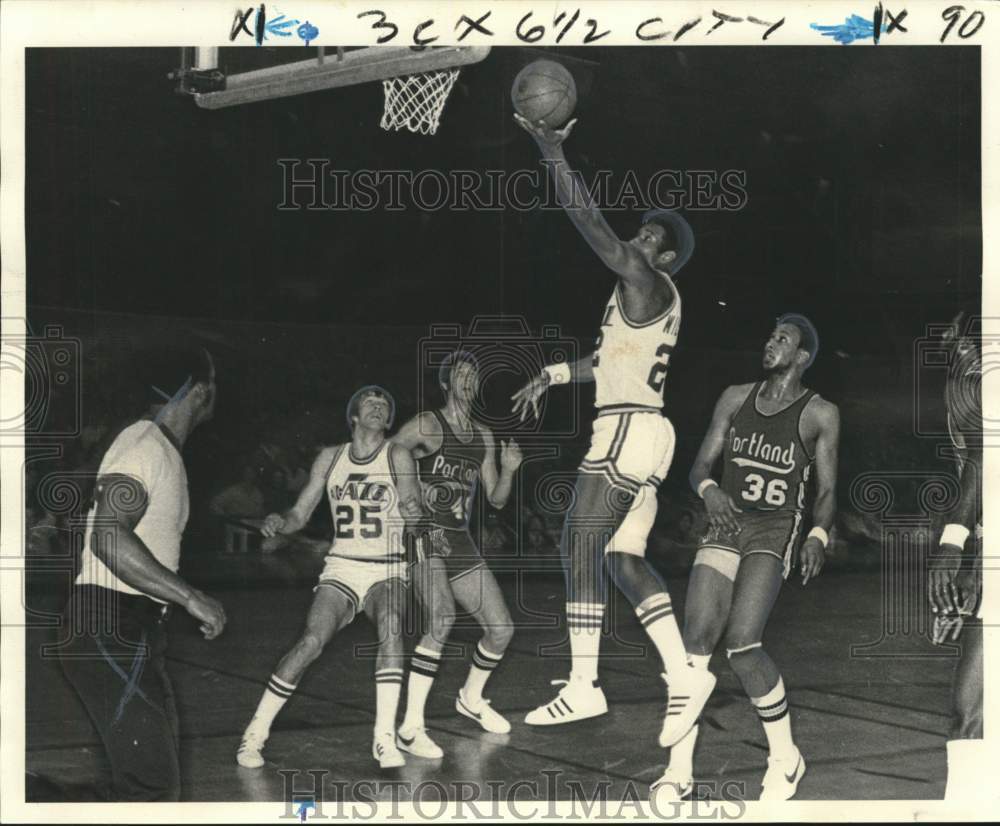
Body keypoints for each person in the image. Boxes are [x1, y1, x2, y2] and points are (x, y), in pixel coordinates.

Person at [510, 115, 712, 740]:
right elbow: (607, 362)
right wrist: (551, 374)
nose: (637, 240)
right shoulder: (643, 303)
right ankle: (682, 674)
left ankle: (583, 686)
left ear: (666, 257)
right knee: (622, 560)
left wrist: (552, 154)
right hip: (641, 430)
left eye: (649, 238)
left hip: (628, 431)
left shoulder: (649, 281)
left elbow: (593, 229)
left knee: (578, 541)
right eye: (640, 232)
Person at [655, 314, 840, 801]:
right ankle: (678, 772)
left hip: (774, 529)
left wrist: (818, 534)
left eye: (783, 338)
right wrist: (711, 490)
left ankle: (785, 758)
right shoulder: (735, 397)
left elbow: (826, 491)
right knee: (695, 641)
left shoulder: (820, 413)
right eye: (770, 334)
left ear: (802, 357)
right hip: (727, 522)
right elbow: (698, 468)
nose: (770, 342)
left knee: (741, 644)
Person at [57, 346, 227, 801]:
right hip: (110, 624)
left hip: (129, 629)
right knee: (150, 791)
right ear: (200, 391)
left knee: (145, 788)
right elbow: (109, 538)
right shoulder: (145, 445)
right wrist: (190, 596)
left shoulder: (160, 450)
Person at [236, 386, 433, 769]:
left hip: (388, 566)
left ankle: (383, 738)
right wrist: (282, 522)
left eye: (385, 405)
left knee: (393, 625)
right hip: (343, 566)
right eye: (369, 402)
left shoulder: (398, 455)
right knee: (311, 641)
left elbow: (414, 511)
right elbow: (300, 512)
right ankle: (254, 734)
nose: (378, 407)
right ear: (354, 416)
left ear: (389, 420)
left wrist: (417, 512)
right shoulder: (330, 457)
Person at [392, 351, 523, 758]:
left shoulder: (483, 435)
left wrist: (510, 469)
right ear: (447, 383)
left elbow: (497, 500)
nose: (470, 380)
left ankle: (471, 697)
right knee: (443, 616)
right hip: (425, 533)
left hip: (459, 539)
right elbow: (394, 448)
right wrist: (411, 495)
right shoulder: (428, 423)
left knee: (502, 629)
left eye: (475, 374)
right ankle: (410, 727)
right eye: (462, 374)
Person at [927, 310, 983, 801]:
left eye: (952, 327)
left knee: (970, 710)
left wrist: (952, 547)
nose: (942, 334)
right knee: (972, 709)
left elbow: (985, 464)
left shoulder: (973, 373)